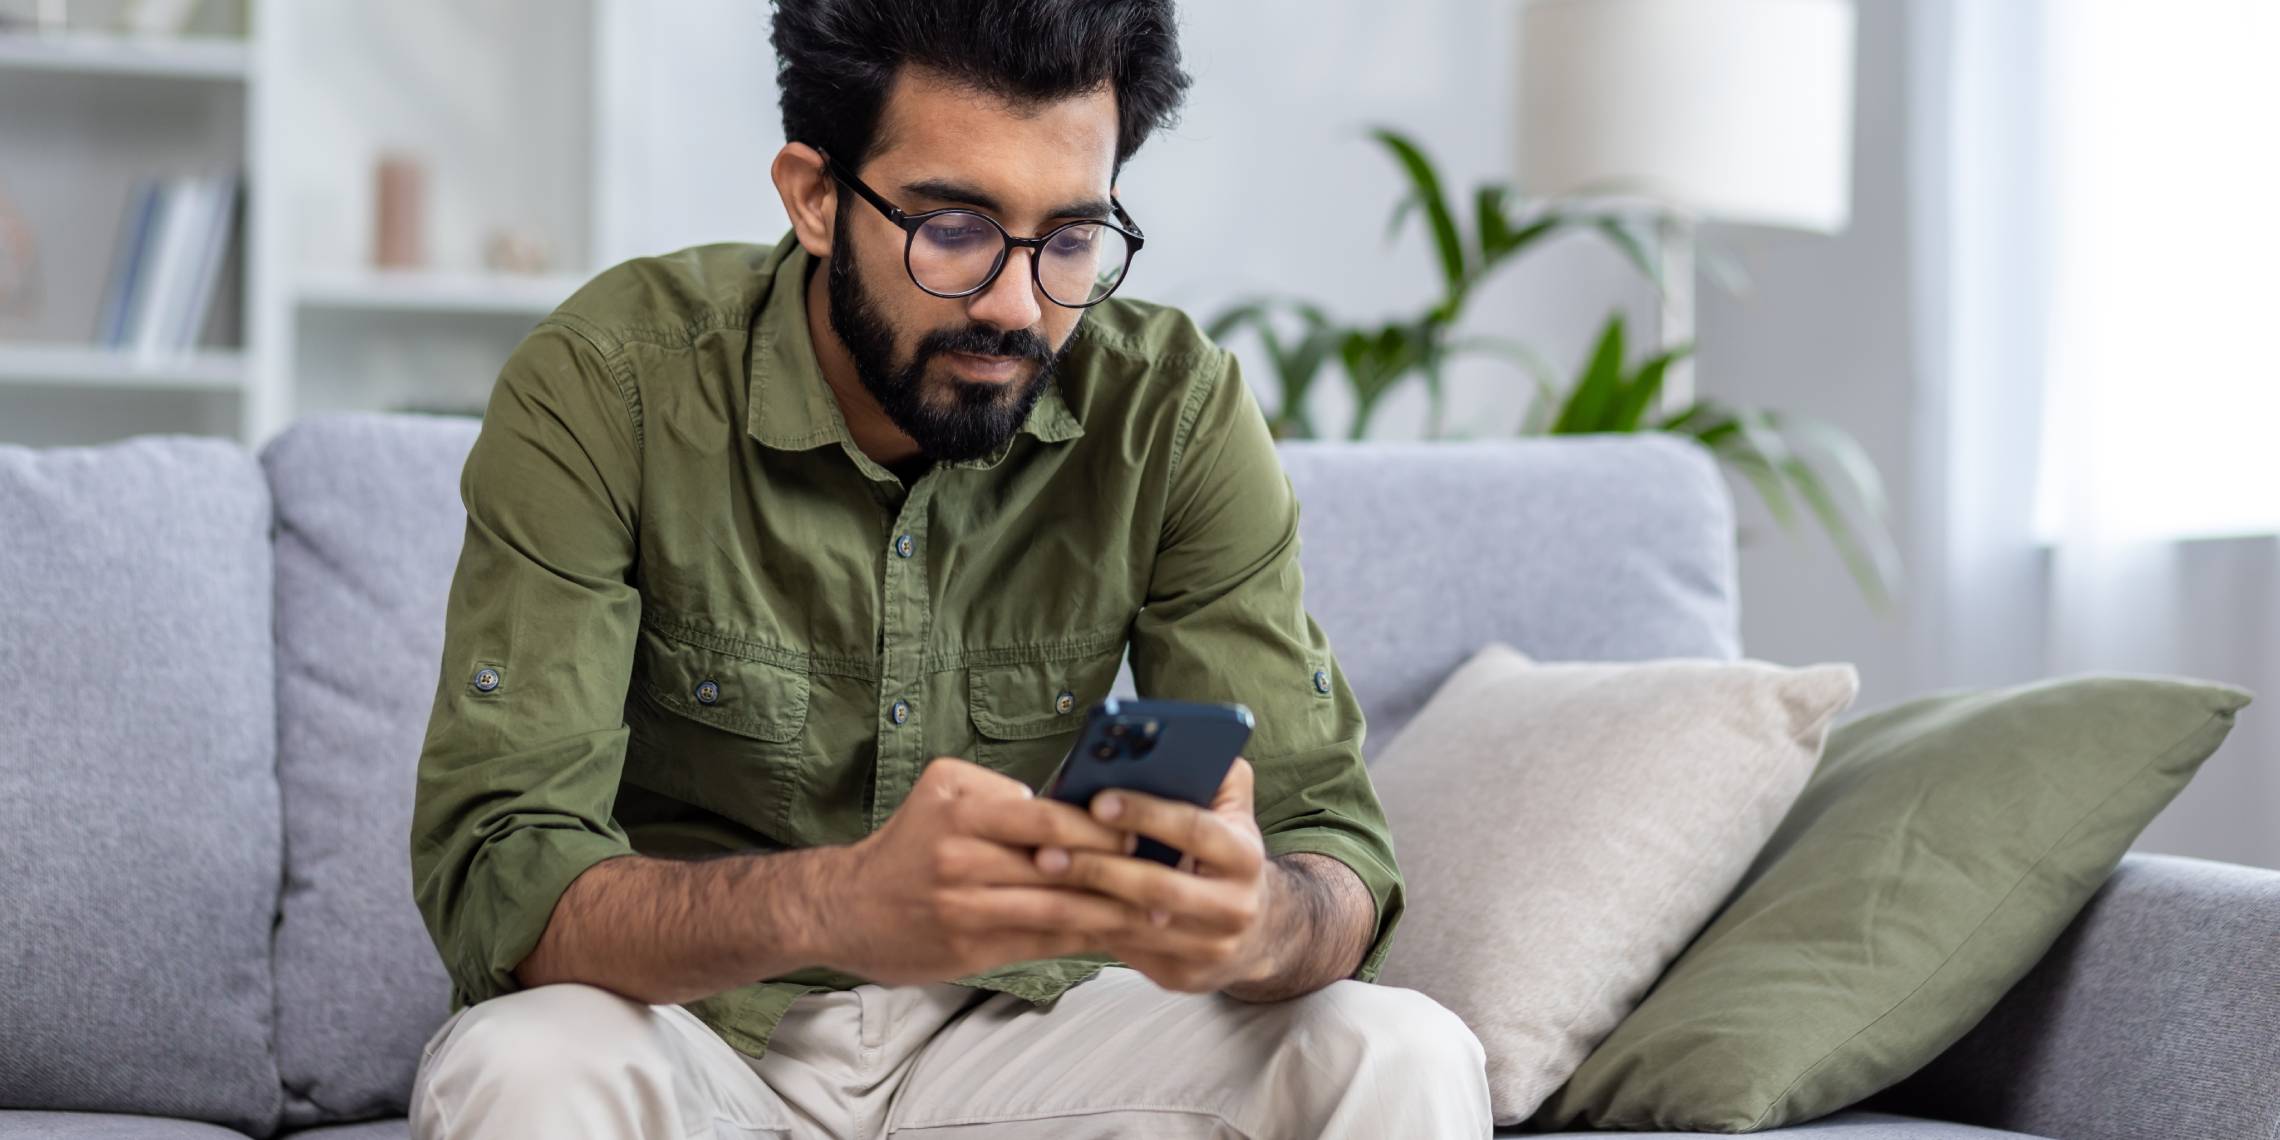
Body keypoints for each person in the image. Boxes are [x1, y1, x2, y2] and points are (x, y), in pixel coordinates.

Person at [405, 1, 1492, 1135]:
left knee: (1395, 1048)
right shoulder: (609, 384)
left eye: (1071, 239)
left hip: (1021, 1036)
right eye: (954, 228)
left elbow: (1333, 848)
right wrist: (837, 904)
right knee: (523, 1066)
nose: (1017, 306)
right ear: (815, 196)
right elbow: (501, 872)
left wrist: (1256, 919)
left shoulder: (1171, 412)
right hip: (694, 1028)